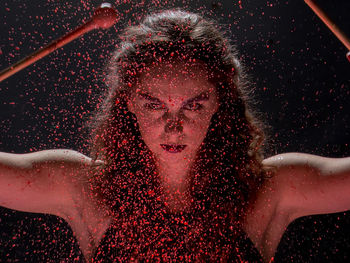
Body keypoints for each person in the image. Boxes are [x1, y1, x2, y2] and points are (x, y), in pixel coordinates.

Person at [0, 9, 349, 262]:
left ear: (219, 105)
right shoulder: (83, 185)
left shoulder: (270, 188)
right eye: (154, 105)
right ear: (129, 104)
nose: (174, 126)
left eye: (193, 106)